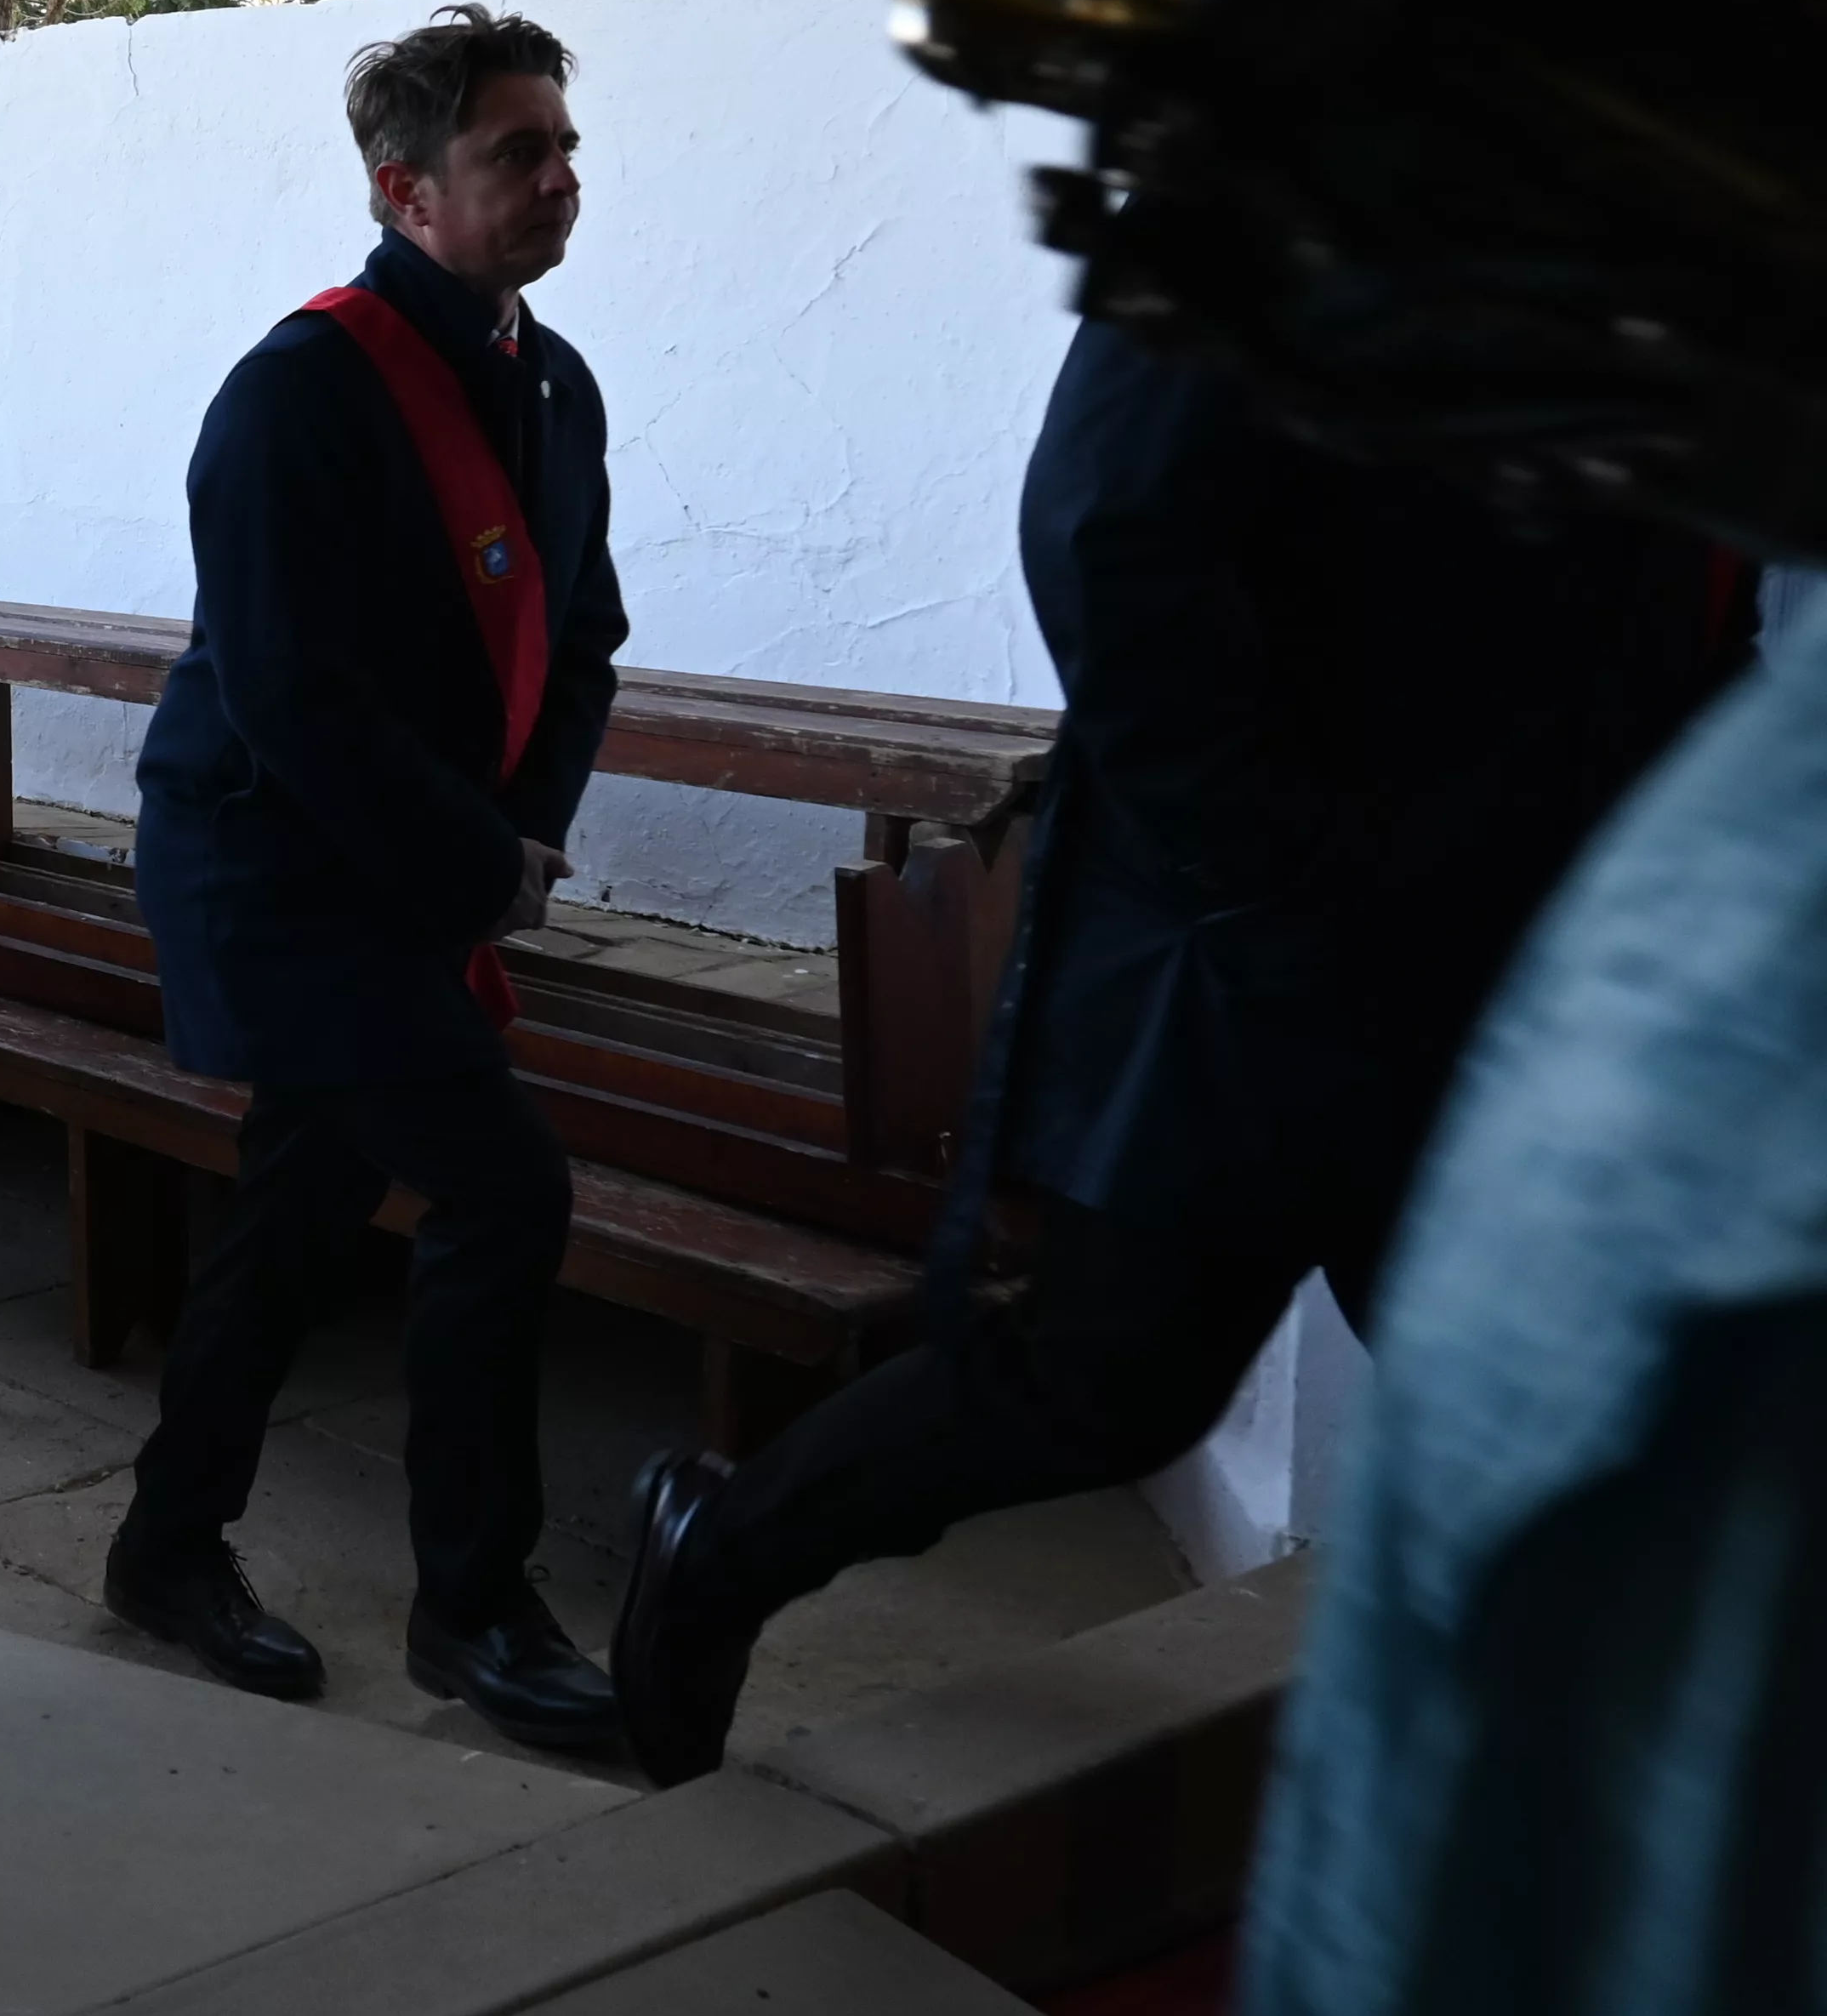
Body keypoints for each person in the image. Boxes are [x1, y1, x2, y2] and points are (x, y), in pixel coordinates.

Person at [606, 307, 1735, 1784]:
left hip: (1517, 939)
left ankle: (1558, 1796)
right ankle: (723, 1545)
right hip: (1264, 948)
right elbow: (1105, 534)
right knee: (1110, 1377)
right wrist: (1278, 898)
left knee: (1549, 1388)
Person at [105, 4, 629, 1755]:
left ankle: (165, 1544)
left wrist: (523, 837)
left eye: (563, 145)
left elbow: (583, 636)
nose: (559, 177)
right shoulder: (299, 392)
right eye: (515, 152)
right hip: (273, 869)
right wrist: (481, 864)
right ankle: (471, 1605)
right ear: (405, 190)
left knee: (303, 1206)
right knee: (505, 1189)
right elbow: (289, 693)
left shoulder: (553, 381)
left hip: (414, 866)